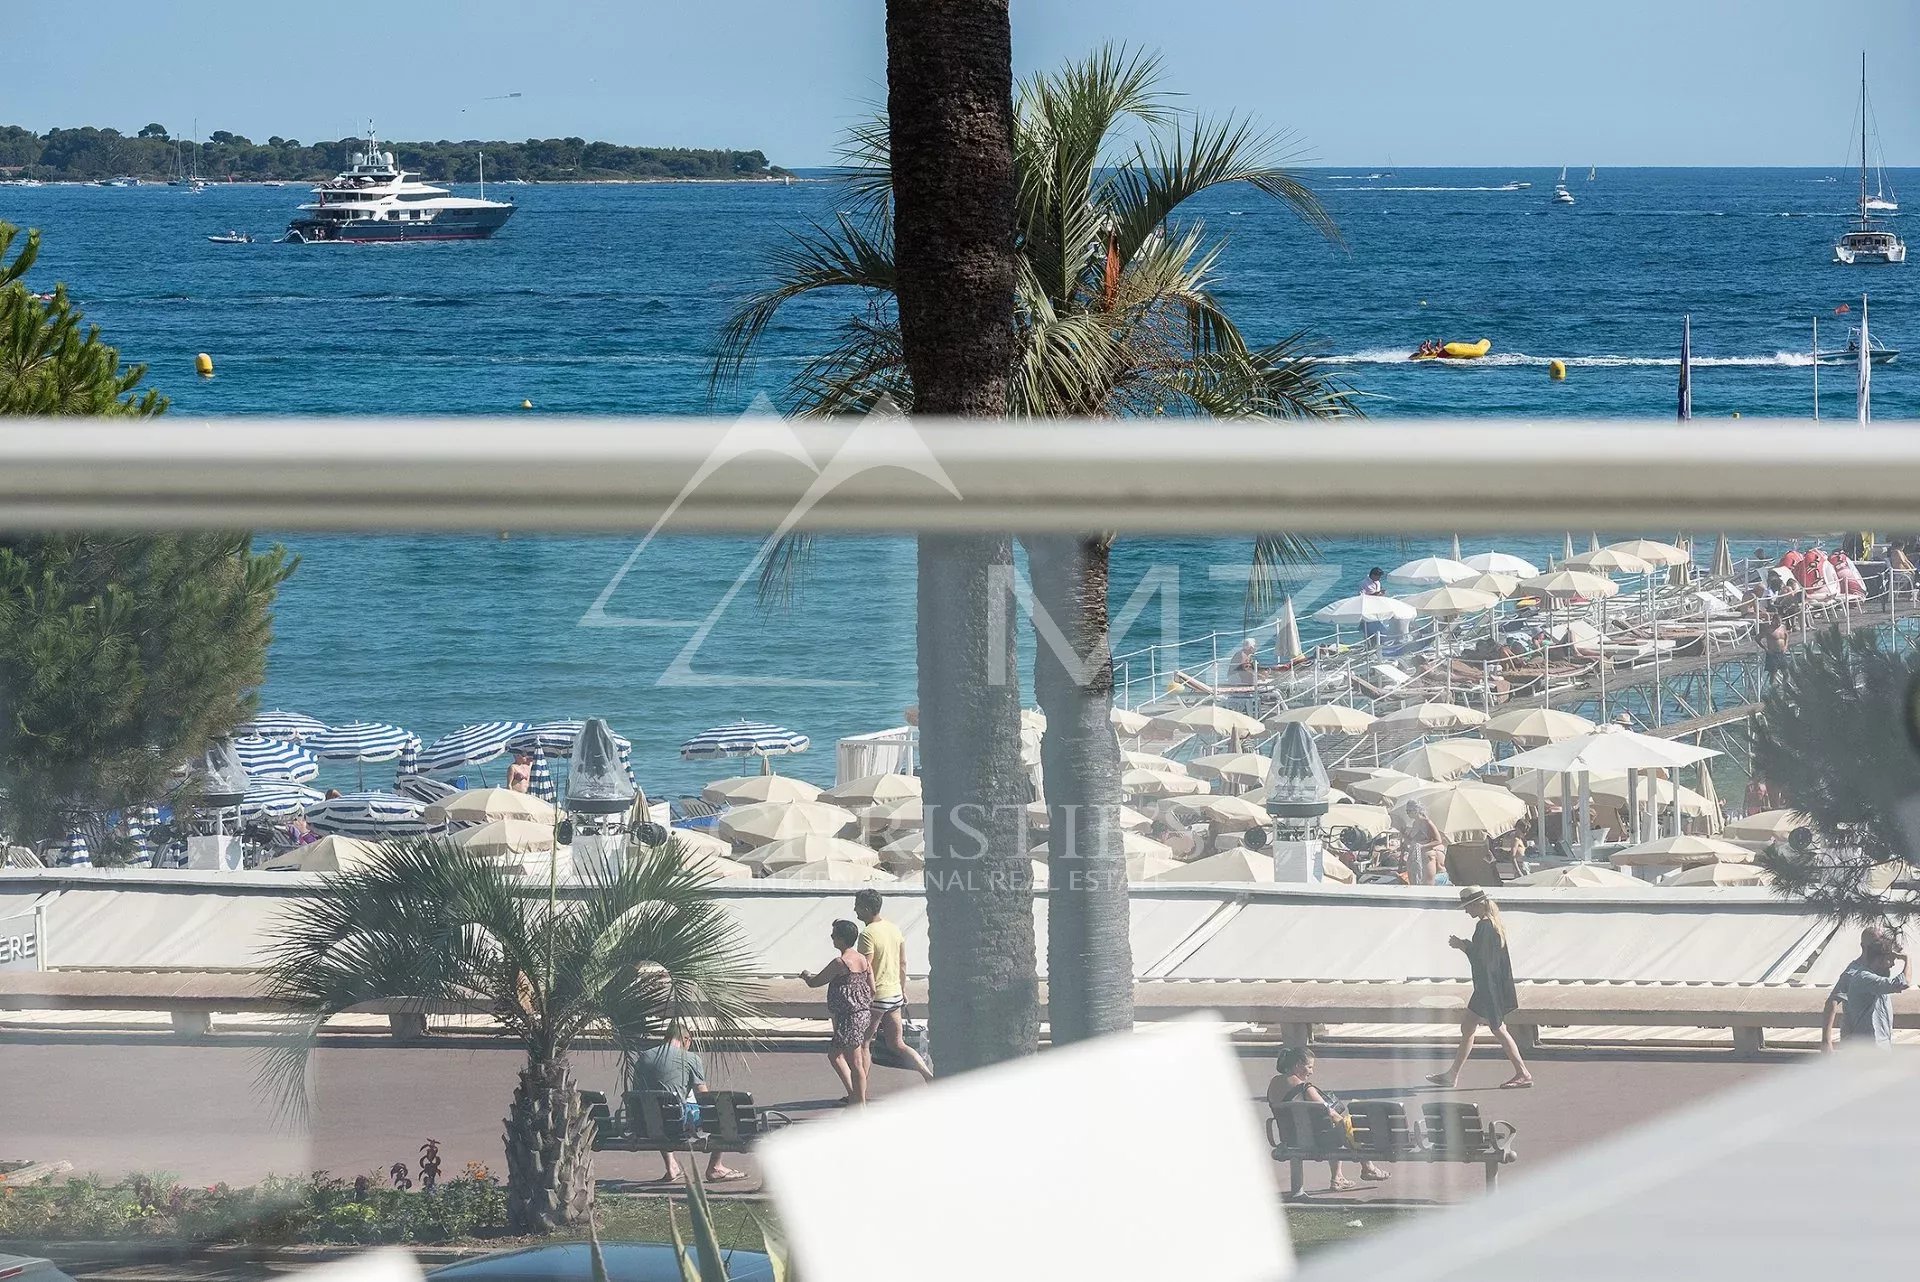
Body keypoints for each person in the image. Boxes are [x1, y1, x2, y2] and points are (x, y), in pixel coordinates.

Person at [1428, 888, 1532, 1089]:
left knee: (1498, 1029)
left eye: (1467, 907)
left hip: (1487, 988)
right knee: (1468, 1027)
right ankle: (1452, 1074)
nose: (1466, 911)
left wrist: (1463, 946)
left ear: (1477, 905)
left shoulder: (1484, 927)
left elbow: (1482, 961)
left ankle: (1523, 1073)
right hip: (1489, 986)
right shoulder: (1493, 924)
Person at [632, 1024, 744, 1182]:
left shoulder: (644, 1056)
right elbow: (704, 1097)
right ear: (686, 1039)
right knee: (723, 1111)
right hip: (678, 1122)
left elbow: (637, 1091)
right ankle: (715, 1167)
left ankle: (671, 1166)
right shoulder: (690, 1058)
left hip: (647, 1122)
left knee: (657, 1106)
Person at [1275, 1046, 1389, 1191]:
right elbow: (1331, 1113)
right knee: (1345, 1127)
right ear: (1298, 1065)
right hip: (1314, 1140)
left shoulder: (1273, 1084)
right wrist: (1348, 1125)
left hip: (1290, 1139)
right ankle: (1368, 1168)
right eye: (1309, 1067)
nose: (1311, 1071)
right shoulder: (1305, 1088)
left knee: (1336, 1128)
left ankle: (1339, 1177)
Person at [853, 890, 934, 1084]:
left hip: (876, 997)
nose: (855, 909)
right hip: (895, 994)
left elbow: (865, 968)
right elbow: (903, 963)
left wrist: (860, 994)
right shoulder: (894, 929)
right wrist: (902, 989)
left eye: (857, 906)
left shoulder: (867, 934)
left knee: (863, 1043)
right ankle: (928, 1075)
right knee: (897, 1043)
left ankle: (859, 1092)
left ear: (866, 909)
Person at [802, 920, 874, 1104]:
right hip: (862, 1013)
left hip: (849, 1017)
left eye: (834, 935)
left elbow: (816, 982)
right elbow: (872, 988)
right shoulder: (863, 959)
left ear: (842, 939)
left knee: (855, 1062)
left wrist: (806, 975)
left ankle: (859, 1103)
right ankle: (855, 1096)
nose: (832, 937)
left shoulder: (840, 963)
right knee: (836, 1055)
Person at [1822, 926, 1910, 1051]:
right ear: (1864, 947)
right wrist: (1826, 1041)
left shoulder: (1879, 968)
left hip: (1881, 1041)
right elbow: (1832, 1001)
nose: (1881, 946)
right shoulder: (1854, 972)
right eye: (1877, 944)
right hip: (1861, 1043)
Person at [1396, 800, 1442, 886]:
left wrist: (1422, 846)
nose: (1407, 813)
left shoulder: (1427, 822)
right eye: (1406, 811)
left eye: (1409, 811)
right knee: (1414, 883)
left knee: (1427, 884)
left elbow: (1438, 840)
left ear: (1416, 810)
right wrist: (1404, 836)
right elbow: (1412, 841)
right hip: (1414, 856)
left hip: (1426, 856)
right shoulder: (1414, 823)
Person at [1759, 607, 1790, 692]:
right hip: (1772, 653)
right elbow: (1757, 638)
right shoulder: (1768, 629)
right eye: (1777, 622)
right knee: (1773, 673)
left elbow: (1786, 636)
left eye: (1780, 622)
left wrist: (1786, 646)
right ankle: (1773, 690)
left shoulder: (1782, 627)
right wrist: (1765, 648)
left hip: (1781, 653)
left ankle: (1785, 688)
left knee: (1786, 673)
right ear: (1773, 621)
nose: (1778, 624)